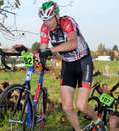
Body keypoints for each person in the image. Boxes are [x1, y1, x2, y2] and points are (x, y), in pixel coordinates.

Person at [38, 1, 106, 131]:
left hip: (83, 63)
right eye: (44, 20)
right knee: (67, 107)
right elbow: (43, 49)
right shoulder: (44, 28)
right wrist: (38, 55)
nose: (47, 23)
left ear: (57, 16)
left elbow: (73, 43)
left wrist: (50, 50)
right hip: (67, 66)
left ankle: (97, 121)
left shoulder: (67, 22)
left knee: (81, 106)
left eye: (50, 20)